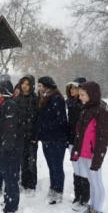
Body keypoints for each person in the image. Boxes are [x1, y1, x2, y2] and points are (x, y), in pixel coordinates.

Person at [71, 81, 108, 213]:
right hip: (84, 153)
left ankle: (96, 209)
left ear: (91, 94)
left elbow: (102, 138)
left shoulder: (101, 112)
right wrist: (77, 151)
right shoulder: (85, 109)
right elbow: (80, 134)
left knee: (97, 184)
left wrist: (98, 157)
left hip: (93, 154)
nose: (79, 97)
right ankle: (92, 207)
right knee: (92, 182)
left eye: (82, 94)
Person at [0, 80, 22, 213]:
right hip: (1, 150)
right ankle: (8, 201)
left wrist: (4, 149)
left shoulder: (9, 105)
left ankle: (12, 206)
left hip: (9, 152)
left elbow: (9, 130)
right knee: (8, 178)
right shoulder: (0, 105)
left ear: (3, 92)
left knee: (11, 179)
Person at [36, 76, 68, 204]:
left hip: (57, 139)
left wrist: (44, 127)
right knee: (51, 166)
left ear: (47, 86)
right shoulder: (44, 99)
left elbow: (61, 120)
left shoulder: (56, 99)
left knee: (57, 166)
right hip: (47, 139)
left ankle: (58, 191)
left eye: (40, 86)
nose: (38, 89)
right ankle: (53, 188)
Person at [65, 77, 90, 211]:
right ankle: (78, 195)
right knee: (76, 169)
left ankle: (85, 198)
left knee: (84, 170)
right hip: (72, 140)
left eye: (75, 88)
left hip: (83, 142)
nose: (72, 90)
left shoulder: (86, 104)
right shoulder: (70, 102)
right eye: (71, 88)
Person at [14, 75, 38, 197]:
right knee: (23, 162)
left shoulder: (35, 99)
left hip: (32, 137)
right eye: (23, 83)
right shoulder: (17, 99)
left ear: (31, 86)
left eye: (27, 84)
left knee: (32, 162)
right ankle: (24, 183)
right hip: (20, 137)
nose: (25, 86)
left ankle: (32, 184)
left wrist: (35, 135)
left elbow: (38, 120)